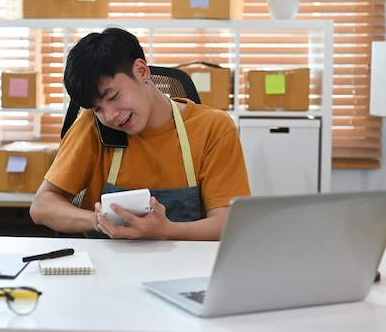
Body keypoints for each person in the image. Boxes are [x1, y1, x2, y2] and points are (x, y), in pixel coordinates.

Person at [29, 27, 251, 240]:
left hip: (186, 266)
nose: (110, 116)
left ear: (141, 71)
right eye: (97, 108)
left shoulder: (212, 128)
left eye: (113, 97)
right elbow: (42, 206)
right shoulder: (92, 127)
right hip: (109, 266)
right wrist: (97, 220)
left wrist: (166, 230)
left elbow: (227, 223)